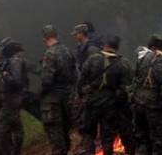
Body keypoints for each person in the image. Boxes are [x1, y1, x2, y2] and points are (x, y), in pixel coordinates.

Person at [77, 35, 134, 155]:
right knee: (107, 135)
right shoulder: (122, 63)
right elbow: (125, 88)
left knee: (89, 133)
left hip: (92, 101)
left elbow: (81, 80)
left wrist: (82, 97)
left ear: (105, 45)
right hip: (110, 104)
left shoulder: (92, 59)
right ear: (117, 47)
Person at [132, 35, 162, 155]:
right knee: (159, 142)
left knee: (142, 140)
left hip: (138, 104)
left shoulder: (141, 59)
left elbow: (135, 80)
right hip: (155, 108)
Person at [40, 25, 77, 155]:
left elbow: (47, 80)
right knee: (66, 130)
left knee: (55, 133)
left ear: (44, 39)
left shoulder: (49, 54)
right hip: (68, 97)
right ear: (57, 36)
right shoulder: (68, 51)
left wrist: (41, 93)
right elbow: (75, 74)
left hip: (53, 99)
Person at [73, 22, 103, 140]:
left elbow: (97, 70)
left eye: (77, 34)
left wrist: (91, 85)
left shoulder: (91, 49)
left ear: (82, 34)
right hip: (85, 87)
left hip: (93, 89)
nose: (75, 36)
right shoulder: (80, 49)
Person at [0, 39, 28, 155]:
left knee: (4, 130)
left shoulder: (14, 61)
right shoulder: (13, 60)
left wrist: (5, 76)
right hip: (13, 98)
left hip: (11, 99)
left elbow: (17, 81)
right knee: (15, 126)